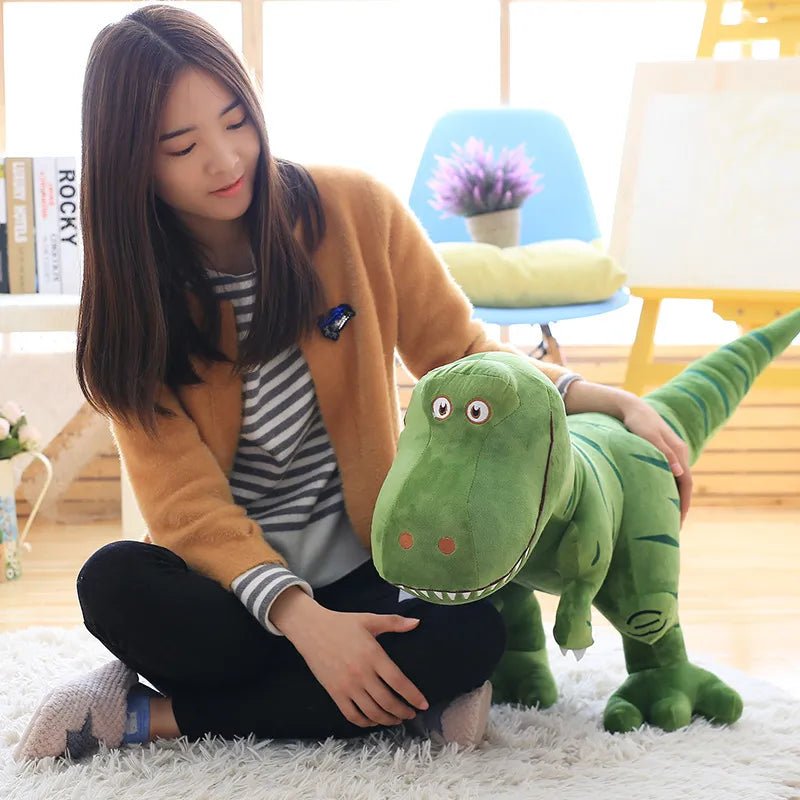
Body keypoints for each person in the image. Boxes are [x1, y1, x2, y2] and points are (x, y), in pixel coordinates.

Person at [13, 4, 691, 762]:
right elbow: (184, 507)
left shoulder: (353, 211)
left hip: (374, 564)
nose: (226, 159)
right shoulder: (128, 313)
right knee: (113, 583)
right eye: (182, 145)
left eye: (237, 120)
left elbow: (462, 355)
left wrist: (607, 398)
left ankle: (150, 718)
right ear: (130, 162)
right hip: (234, 593)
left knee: (473, 633)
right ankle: (384, 703)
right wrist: (305, 623)